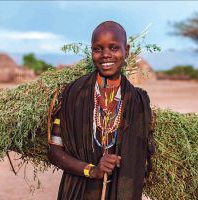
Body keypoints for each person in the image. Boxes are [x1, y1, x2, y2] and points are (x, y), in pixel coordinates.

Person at [48, 21, 155, 200]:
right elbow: (54, 152)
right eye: (98, 49)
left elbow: (142, 158)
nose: (106, 55)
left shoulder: (138, 102)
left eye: (114, 48)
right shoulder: (73, 94)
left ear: (126, 51)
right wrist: (92, 170)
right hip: (78, 193)